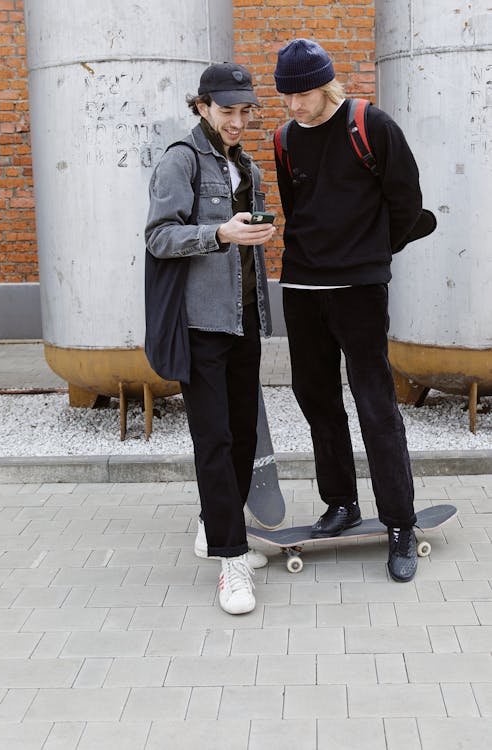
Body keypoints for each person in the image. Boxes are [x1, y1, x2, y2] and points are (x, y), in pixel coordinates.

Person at [273, 38, 424, 582]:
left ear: (325, 84)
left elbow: (407, 199)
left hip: (359, 287)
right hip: (302, 287)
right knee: (315, 399)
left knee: (374, 403)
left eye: (303, 94)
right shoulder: (285, 139)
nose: (294, 106)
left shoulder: (370, 124)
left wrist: (374, 254)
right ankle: (341, 502)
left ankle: (401, 523)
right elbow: (298, 210)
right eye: (286, 96)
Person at [145, 62, 276, 614]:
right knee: (215, 440)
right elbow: (159, 237)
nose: (238, 121)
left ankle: (211, 523)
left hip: (244, 318)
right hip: (201, 324)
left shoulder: (246, 164)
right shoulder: (181, 159)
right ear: (201, 106)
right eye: (228, 111)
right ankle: (230, 560)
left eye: (245, 111)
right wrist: (219, 233)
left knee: (244, 433)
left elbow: (247, 236)